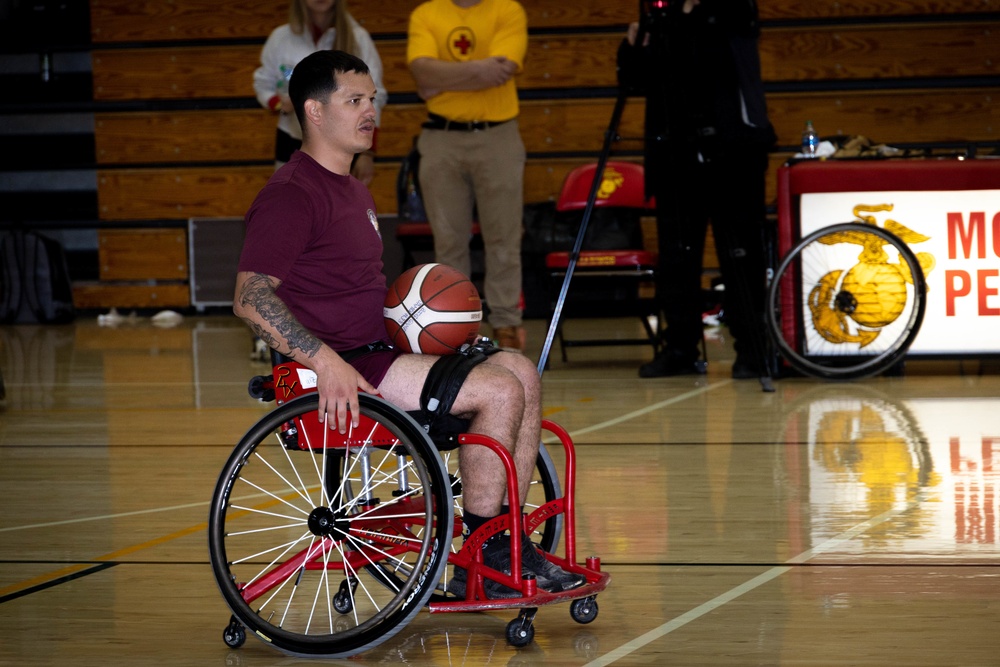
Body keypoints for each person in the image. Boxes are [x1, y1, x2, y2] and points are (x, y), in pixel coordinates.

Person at [233, 50, 583, 599]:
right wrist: (325, 362)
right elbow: (250, 297)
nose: (370, 111)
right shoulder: (292, 194)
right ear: (315, 112)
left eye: (372, 99)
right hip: (351, 366)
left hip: (381, 349)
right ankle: (483, 555)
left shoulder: (350, 186)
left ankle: (508, 538)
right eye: (355, 101)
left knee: (518, 367)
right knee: (497, 391)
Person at [617, 0, 776, 378]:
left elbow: (712, 57)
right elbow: (636, 80)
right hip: (675, 153)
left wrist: (680, 20)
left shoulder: (728, 11)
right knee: (677, 257)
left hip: (733, 151)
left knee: (740, 255)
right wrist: (633, 45)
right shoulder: (662, 18)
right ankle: (680, 348)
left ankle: (753, 349)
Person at [406, 0, 528, 351]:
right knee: (448, 243)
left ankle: (507, 323)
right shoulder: (427, 14)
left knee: (503, 239)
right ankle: (456, 330)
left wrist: (439, 79)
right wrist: (478, 70)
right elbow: (421, 73)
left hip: (498, 137)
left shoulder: (507, 10)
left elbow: (502, 71)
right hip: (441, 139)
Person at [253, 0, 387, 184]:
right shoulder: (281, 38)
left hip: (346, 143)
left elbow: (375, 97)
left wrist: (367, 153)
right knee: (290, 202)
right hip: (293, 138)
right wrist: (279, 103)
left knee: (342, 209)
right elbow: (262, 82)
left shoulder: (358, 38)